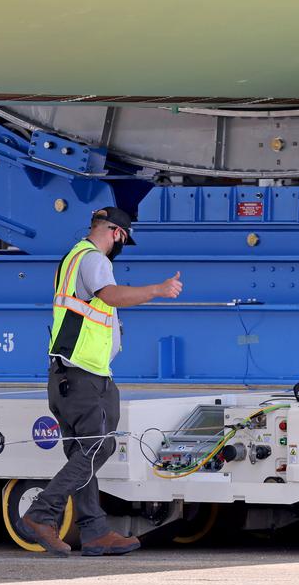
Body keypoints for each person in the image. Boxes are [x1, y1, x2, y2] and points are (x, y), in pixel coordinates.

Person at [21, 206, 182, 556]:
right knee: (99, 447)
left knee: (85, 453)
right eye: (122, 238)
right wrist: (157, 289)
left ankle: (94, 532)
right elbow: (109, 295)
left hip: (74, 374)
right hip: (82, 374)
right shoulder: (94, 259)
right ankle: (41, 513)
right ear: (114, 232)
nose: (120, 244)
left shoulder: (74, 258)